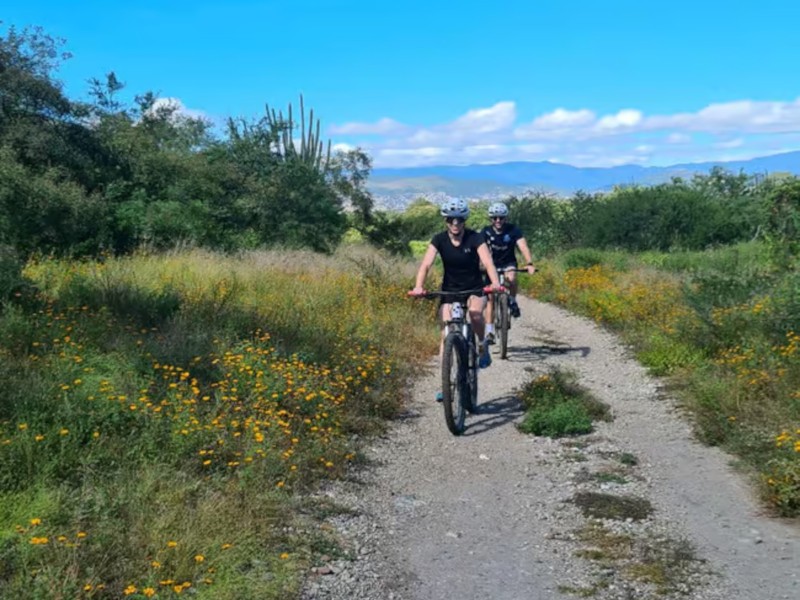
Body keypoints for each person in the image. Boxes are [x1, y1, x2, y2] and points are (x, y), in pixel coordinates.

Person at [410, 199, 504, 394]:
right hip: (450, 289)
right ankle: (445, 385)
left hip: (474, 287)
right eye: (451, 219)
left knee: (475, 314)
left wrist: (495, 283)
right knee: (446, 332)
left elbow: (488, 263)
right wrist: (419, 286)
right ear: (446, 221)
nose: (455, 223)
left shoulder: (475, 238)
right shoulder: (439, 239)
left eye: (459, 220)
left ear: (464, 221)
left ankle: (482, 345)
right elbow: (426, 265)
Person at [481, 202, 536, 343]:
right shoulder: (486, 231)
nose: (498, 220)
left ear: (506, 218)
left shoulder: (513, 230)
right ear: (491, 219)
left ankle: (512, 300)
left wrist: (529, 263)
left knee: (511, 277)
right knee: (490, 298)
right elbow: (480, 249)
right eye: (494, 218)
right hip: (491, 266)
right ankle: (489, 331)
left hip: (508, 263)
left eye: (501, 217)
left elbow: (523, 246)